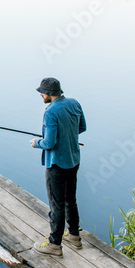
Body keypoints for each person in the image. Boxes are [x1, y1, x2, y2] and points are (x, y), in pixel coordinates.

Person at [29, 77, 86, 256]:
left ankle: (54, 244)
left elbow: (49, 142)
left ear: (47, 94)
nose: (41, 96)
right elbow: (81, 127)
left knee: (56, 204)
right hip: (73, 160)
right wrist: (67, 134)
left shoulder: (51, 112)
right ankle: (74, 236)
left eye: (42, 93)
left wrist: (36, 142)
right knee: (71, 199)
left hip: (57, 164)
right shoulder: (74, 103)